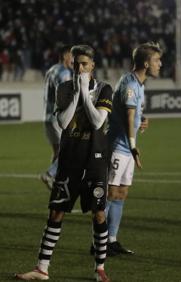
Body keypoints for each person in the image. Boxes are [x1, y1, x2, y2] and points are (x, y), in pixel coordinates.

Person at [15, 45, 113, 281]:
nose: (79, 68)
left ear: (92, 65)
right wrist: (78, 94)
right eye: (76, 63)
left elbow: (98, 121)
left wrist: (87, 97)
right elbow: (64, 123)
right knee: (56, 212)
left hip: (95, 163)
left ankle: (99, 269)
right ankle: (42, 269)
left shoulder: (104, 89)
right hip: (69, 161)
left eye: (84, 64)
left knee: (99, 214)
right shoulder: (64, 88)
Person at [105, 42, 162, 255]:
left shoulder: (139, 83)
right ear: (146, 64)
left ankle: (111, 240)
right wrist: (134, 146)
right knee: (110, 193)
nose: (160, 64)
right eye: (157, 60)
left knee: (121, 193)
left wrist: (142, 119)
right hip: (119, 146)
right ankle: (98, 242)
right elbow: (128, 117)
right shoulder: (130, 83)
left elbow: (132, 114)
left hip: (125, 146)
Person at [41, 45, 73, 190]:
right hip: (57, 117)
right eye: (72, 56)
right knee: (68, 151)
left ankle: (56, 182)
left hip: (47, 117)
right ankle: (50, 174)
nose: (73, 59)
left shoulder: (51, 70)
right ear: (66, 56)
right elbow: (63, 96)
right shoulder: (64, 73)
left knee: (58, 152)